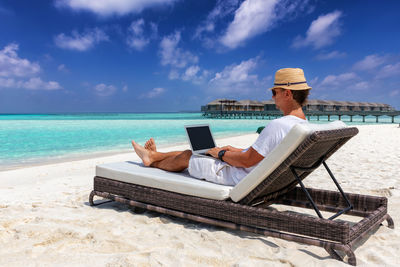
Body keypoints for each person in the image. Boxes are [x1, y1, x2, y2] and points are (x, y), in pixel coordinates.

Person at [132, 68, 311, 186]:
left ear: (287, 94)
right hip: (260, 175)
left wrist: (221, 154)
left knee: (188, 156)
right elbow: (265, 155)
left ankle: (153, 163)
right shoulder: (304, 126)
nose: (272, 98)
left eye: (274, 93)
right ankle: (153, 156)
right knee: (199, 151)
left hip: (236, 176)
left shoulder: (279, 125)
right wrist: (236, 150)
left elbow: (246, 161)